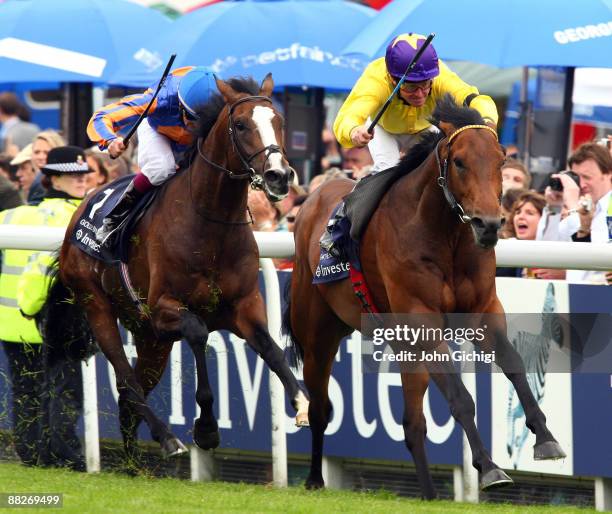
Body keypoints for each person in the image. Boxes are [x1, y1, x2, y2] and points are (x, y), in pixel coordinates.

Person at [16, 145, 95, 471]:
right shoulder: (68, 214)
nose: (80, 180)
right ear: (53, 179)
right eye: (71, 175)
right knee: (64, 387)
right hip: (57, 314)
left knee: (44, 388)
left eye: (82, 174)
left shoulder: (36, 212)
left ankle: (44, 453)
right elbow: (38, 269)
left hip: (38, 314)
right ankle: (65, 455)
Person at [333, 33, 498, 172]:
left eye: (425, 84)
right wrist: (354, 131)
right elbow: (348, 116)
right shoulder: (375, 81)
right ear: (392, 78)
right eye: (411, 86)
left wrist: (488, 123)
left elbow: (477, 100)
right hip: (384, 130)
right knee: (387, 170)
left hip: (424, 128)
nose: (420, 94)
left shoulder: (441, 77)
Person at [87, 66, 215, 243]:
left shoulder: (223, 102)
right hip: (157, 129)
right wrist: (110, 140)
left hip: (195, 140)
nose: (195, 126)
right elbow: (101, 116)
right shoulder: (159, 100)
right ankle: (114, 219)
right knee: (161, 169)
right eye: (192, 119)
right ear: (180, 105)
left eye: (202, 121)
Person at [0, 203, 43, 466]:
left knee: (24, 391)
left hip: (10, 323)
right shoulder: (64, 214)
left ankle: (28, 452)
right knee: (48, 391)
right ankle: (43, 452)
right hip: (43, 325)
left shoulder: (9, 215)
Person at [536, 143, 611, 284]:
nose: (581, 185)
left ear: (608, 174)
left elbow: (593, 262)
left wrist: (572, 206)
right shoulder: (577, 210)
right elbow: (546, 252)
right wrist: (554, 208)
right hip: (573, 298)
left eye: (587, 177)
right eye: (576, 178)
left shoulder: (606, 209)